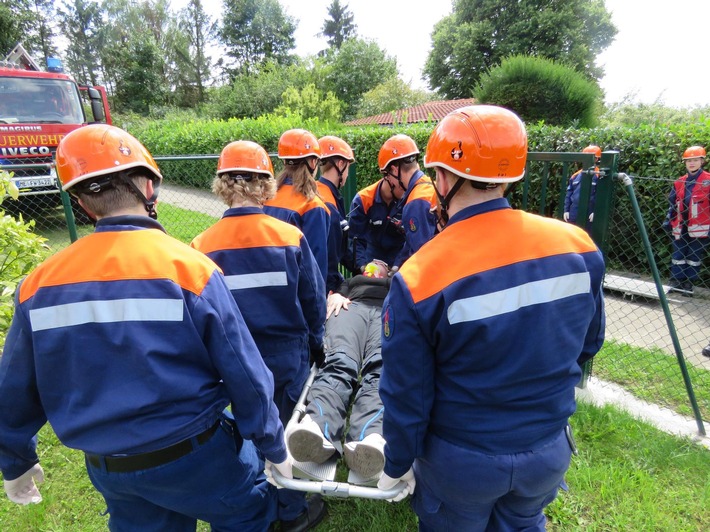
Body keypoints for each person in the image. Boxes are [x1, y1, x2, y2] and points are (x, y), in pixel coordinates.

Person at [0, 125, 291, 531]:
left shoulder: (38, 284)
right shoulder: (189, 269)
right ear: (148, 186)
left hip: (111, 469)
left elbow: (14, 385)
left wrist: (15, 460)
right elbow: (244, 370)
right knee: (248, 513)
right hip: (196, 456)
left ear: (82, 202)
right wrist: (272, 445)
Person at [377, 105, 606, 529]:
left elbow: (408, 393)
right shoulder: (577, 245)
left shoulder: (419, 276)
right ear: (510, 174)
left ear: (442, 178)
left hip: (462, 463)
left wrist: (398, 462)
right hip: (547, 449)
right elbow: (589, 343)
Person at [190, 140, 327, 531]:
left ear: (222, 186)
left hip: (229, 360)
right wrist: (317, 344)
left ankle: (255, 500)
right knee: (287, 428)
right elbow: (314, 302)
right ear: (266, 185)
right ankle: (294, 510)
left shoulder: (200, 246)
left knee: (245, 430)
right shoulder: (288, 236)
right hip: (287, 355)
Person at [287, 260, 391, 480]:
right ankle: (318, 426)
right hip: (350, 308)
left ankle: (369, 437)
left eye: (380, 265)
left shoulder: (395, 283)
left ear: (387, 272)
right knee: (339, 361)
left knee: (381, 370)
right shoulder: (352, 281)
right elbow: (333, 296)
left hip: (388, 313)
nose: (375, 266)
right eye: (371, 264)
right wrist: (334, 296)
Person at [264, 129, 331, 284]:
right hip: (296, 294)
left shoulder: (266, 199)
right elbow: (316, 269)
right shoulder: (312, 206)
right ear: (313, 162)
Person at [377, 134, 439, 268]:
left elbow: (420, 257)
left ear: (394, 169)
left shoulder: (416, 202)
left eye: (387, 176)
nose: (389, 182)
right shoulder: (428, 185)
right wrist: (396, 265)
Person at [663, 146, 710, 296]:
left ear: (702, 161)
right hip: (680, 225)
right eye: (689, 161)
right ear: (685, 163)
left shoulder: (708, 181)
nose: (692, 163)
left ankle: (688, 284)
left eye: (695, 160)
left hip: (700, 228)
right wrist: (668, 221)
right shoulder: (679, 182)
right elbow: (672, 203)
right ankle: (675, 281)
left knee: (694, 256)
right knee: (678, 255)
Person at [317, 135, 357, 292]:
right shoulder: (329, 205)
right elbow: (330, 259)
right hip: (326, 287)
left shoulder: (317, 190)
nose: (347, 174)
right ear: (341, 164)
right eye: (347, 167)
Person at [348, 176, 404, 273]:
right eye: (402, 185)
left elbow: (412, 240)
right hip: (371, 258)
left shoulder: (409, 200)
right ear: (389, 177)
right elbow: (355, 240)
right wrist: (363, 267)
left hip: (400, 258)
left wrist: (398, 266)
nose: (405, 188)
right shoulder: (363, 200)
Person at [564, 145, 602, 227]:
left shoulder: (599, 175)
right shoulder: (575, 175)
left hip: (589, 213)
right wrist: (566, 210)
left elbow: (601, 195)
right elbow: (569, 193)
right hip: (574, 212)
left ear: (597, 159)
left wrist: (596, 211)